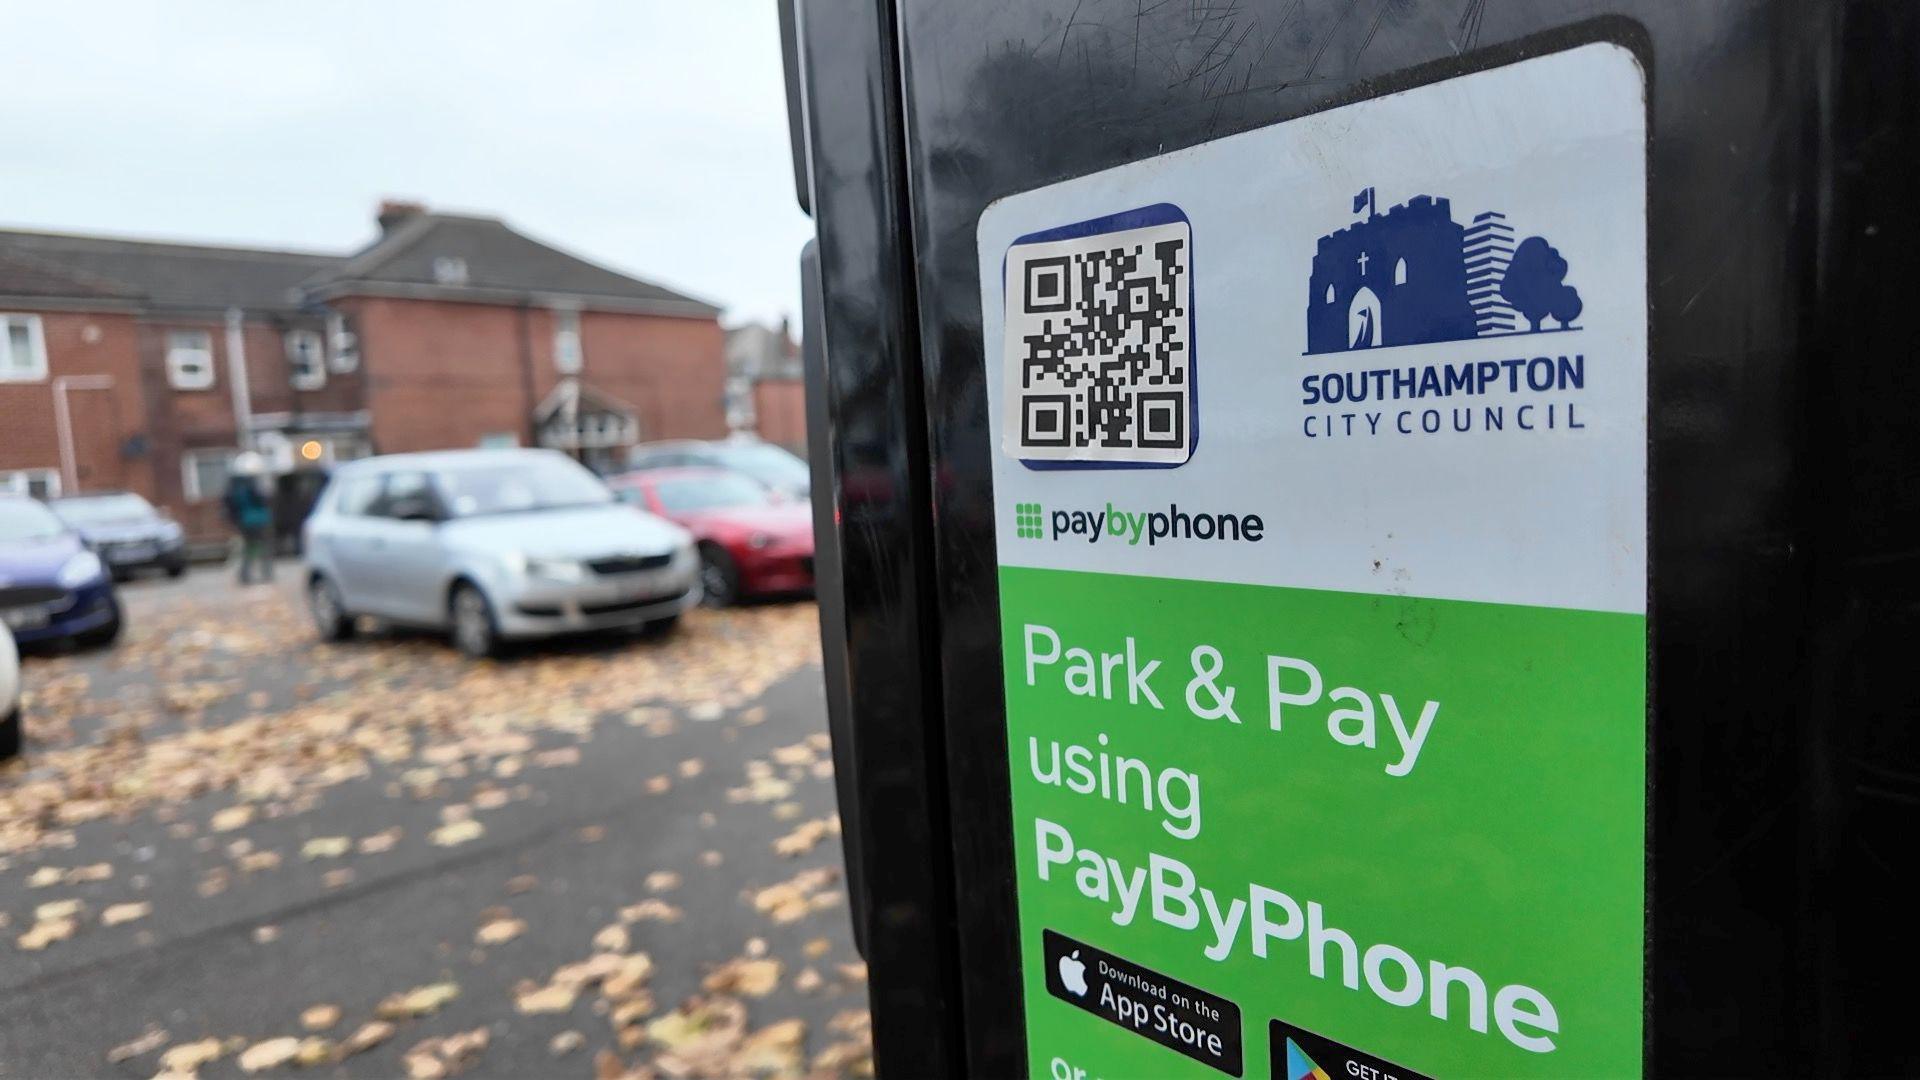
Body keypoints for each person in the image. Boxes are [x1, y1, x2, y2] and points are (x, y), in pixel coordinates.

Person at [223, 451, 275, 585]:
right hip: (258, 520)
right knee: (264, 547)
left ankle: (245, 574)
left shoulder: (234, 486)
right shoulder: (252, 484)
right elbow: (261, 498)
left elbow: (230, 504)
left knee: (249, 548)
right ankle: (266, 573)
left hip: (244, 521)